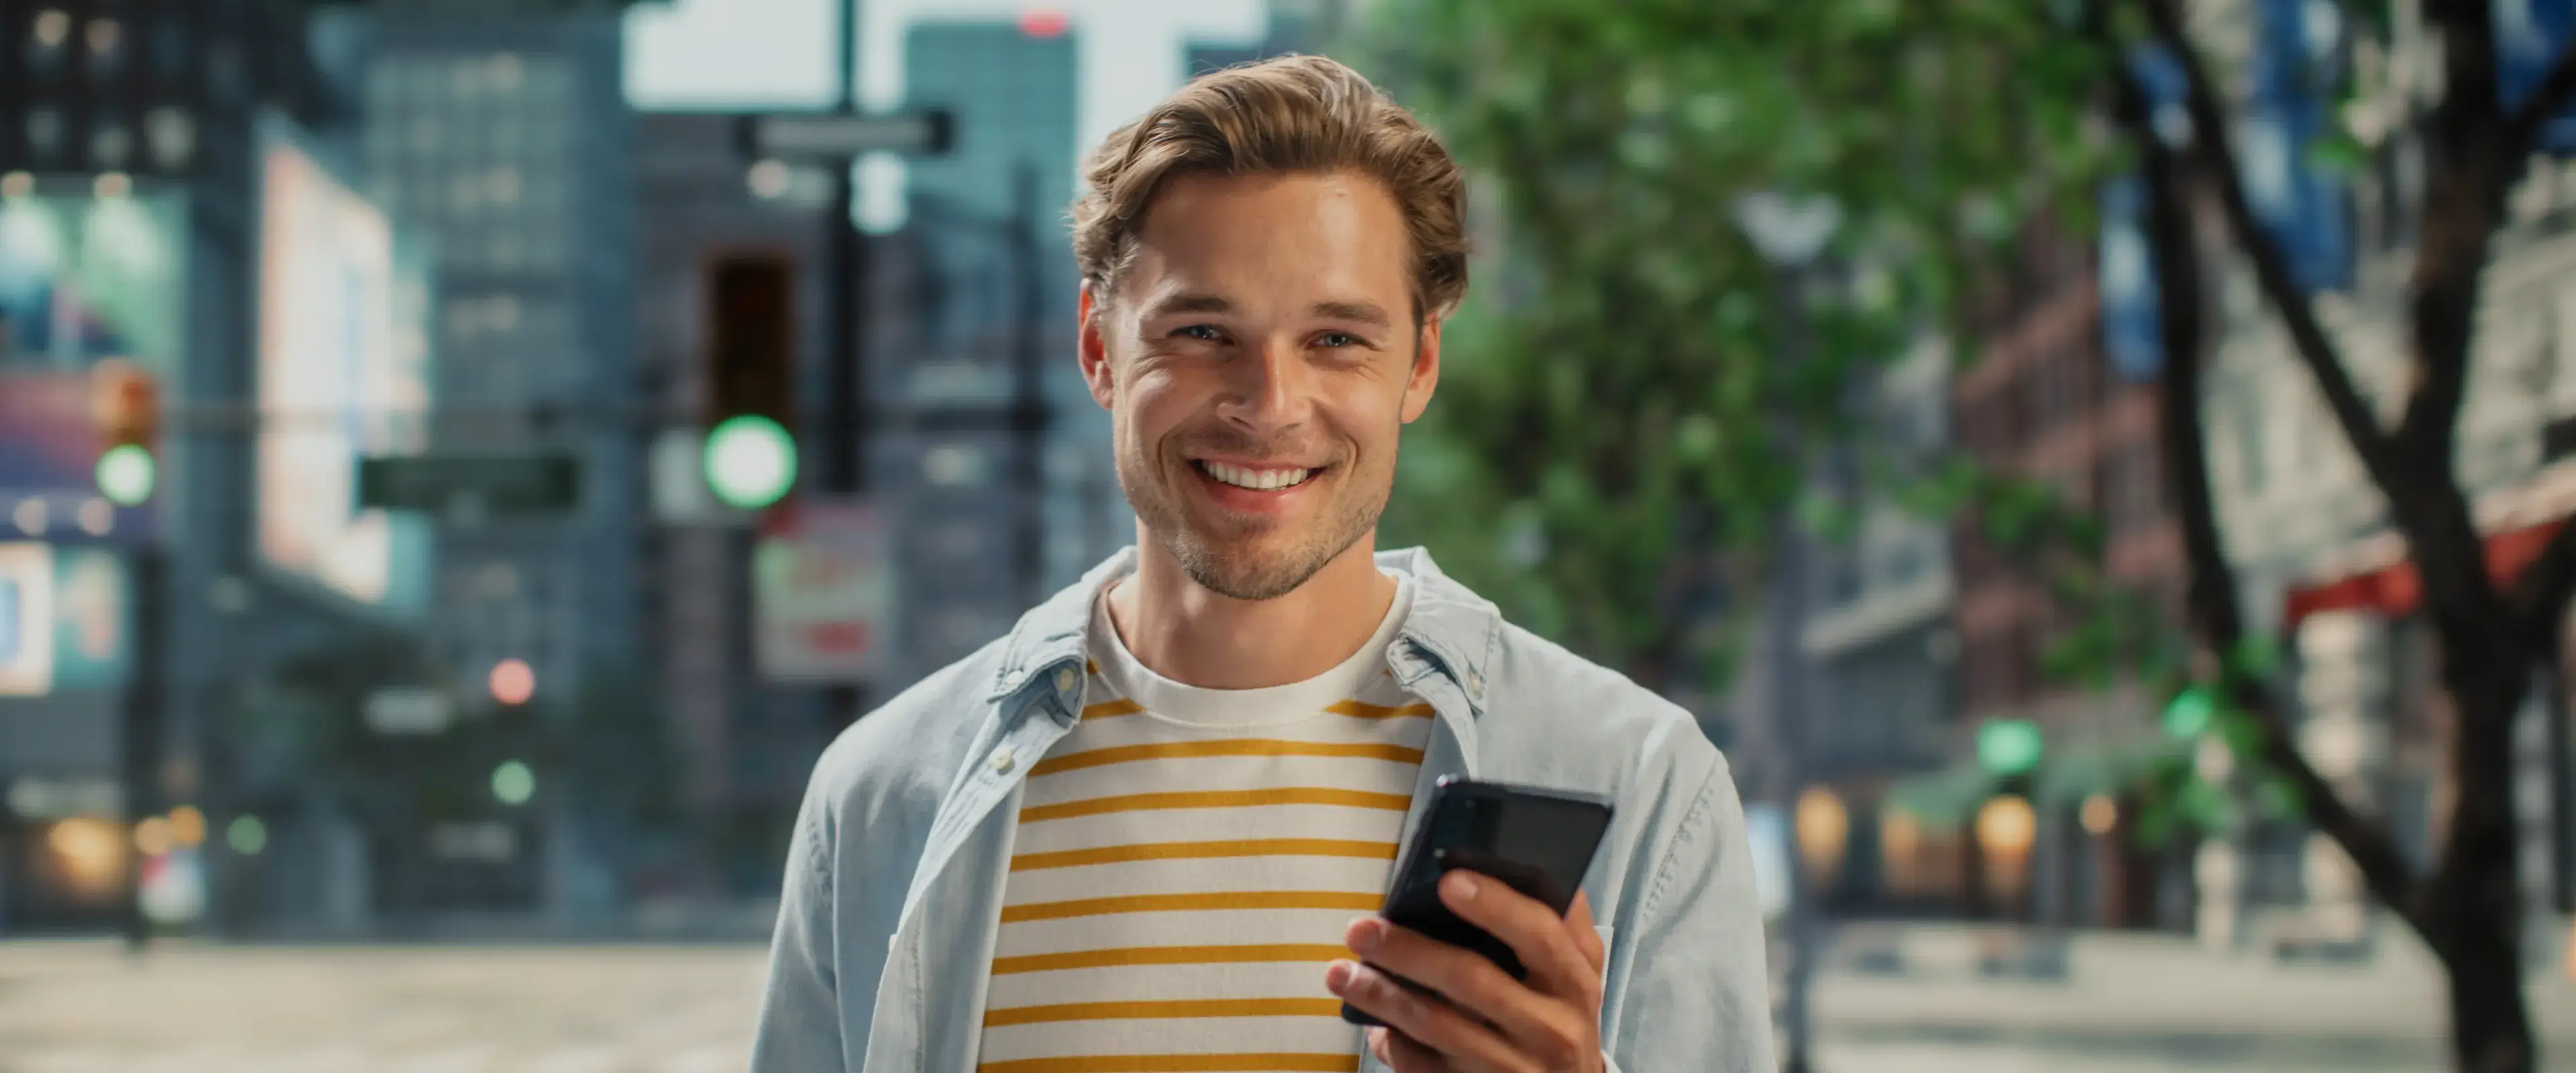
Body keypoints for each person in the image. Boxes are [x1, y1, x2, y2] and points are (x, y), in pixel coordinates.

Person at [751, 54, 1775, 1073]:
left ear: (1419, 365)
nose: (1269, 404)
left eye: (1335, 339)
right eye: (1202, 332)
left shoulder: (1639, 782)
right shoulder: (882, 797)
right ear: (1100, 349)